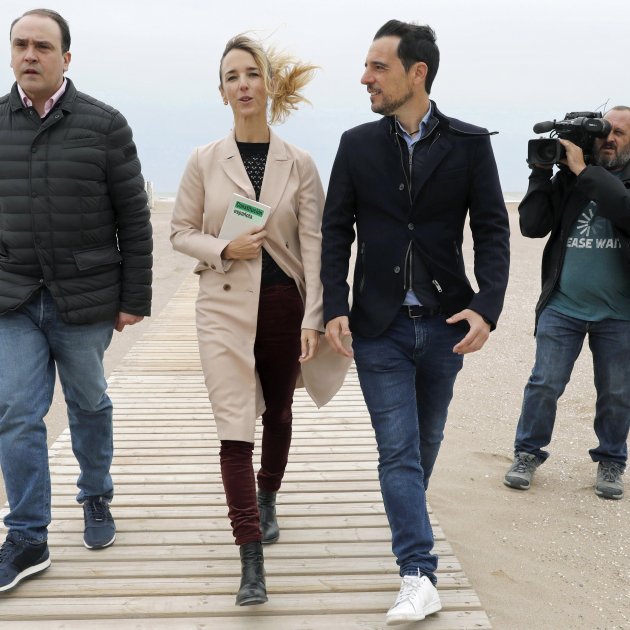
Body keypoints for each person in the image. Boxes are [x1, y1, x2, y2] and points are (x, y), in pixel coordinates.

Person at [321, 19, 510, 626]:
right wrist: (334, 305)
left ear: (417, 72)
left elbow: (492, 229)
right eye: (367, 66)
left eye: (378, 66)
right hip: (378, 326)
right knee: (398, 451)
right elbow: (335, 230)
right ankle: (418, 572)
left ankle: (409, 525)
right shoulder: (356, 144)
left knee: (423, 445)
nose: (365, 77)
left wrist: (487, 305)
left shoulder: (469, 144)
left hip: (446, 322)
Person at [171, 34, 349, 607]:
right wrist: (224, 248)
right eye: (232, 76)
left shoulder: (300, 163)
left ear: (269, 85)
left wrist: (315, 317)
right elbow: (180, 232)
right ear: (221, 91)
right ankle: (251, 560)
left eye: (251, 74)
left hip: (282, 305)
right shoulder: (203, 159)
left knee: (277, 409)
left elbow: (317, 244)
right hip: (221, 304)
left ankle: (268, 496)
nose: (243, 84)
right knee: (233, 426)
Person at [0, 9, 152, 592]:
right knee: (17, 411)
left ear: (66, 58)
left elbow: (133, 218)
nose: (29, 54)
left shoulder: (104, 124)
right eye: (20, 44)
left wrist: (134, 296)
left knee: (88, 402)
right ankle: (27, 537)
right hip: (14, 299)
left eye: (42, 46)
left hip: (85, 297)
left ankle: (95, 494)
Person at [504, 107, 630, 500]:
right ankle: (527, 453)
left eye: (620, 133)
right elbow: (532, 226)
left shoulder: (594, 177)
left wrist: (583, 171)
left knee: (617, 393)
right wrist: (540, 174)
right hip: (563, 305)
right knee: (544, 385)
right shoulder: (571, 179)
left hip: (620, 312)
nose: (610, 138)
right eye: (605, 130)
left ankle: (611, 460)